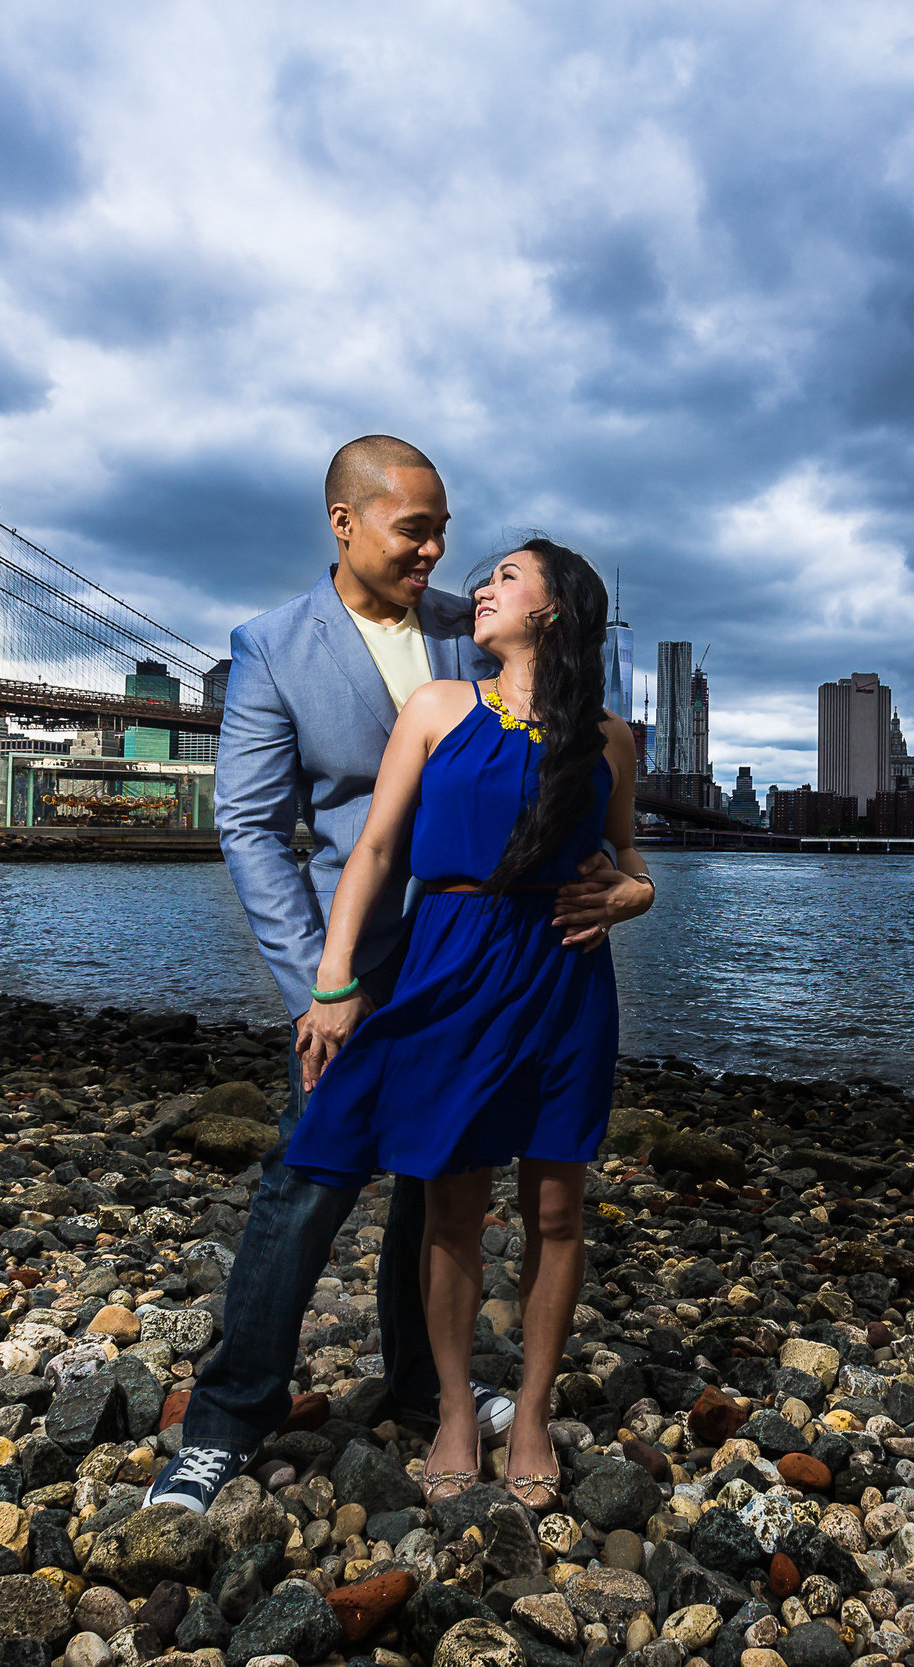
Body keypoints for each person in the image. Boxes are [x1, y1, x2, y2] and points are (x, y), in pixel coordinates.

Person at [149, 441, 647, 1512]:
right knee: (309, 1182)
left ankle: (431, 1389)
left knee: (439, 1187)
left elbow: (581, 797)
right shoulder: (272, 647)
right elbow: (252, 826)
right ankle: (228, 1416)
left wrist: (623, 887)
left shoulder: (464, 632)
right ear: (344, 522)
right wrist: (319, 985)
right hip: (354, 957)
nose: (439, 553)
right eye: (414, 530)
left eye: (446, 531)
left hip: (488, 966)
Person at [285, 537, 653, 1510]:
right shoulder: (439, 708)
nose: (481, 590)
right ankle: (453, 1404)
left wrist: (631, 897)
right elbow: (371, 852)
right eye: (486, 576)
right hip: (451, 959)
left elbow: (631, 864)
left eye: (505, 577)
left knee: (558, 1209)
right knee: (449, 1205)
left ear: (557, 609)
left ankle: (527, 1410)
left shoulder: (611, 738)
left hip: (566, 973)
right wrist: (333, 982)